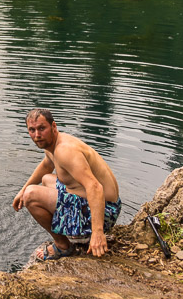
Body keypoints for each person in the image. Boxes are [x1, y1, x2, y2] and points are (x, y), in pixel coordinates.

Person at [12, 108, 121, 260]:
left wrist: (98, 233)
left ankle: (63, 246)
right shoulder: (53, 143)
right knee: (46, 179)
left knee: (31, 195)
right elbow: (47, 165)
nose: (37, 135)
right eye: (32, 130)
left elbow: (95, 187)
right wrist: (21, 190)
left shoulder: (65, 150)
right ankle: (74, 231)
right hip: (102, 203)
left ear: (53, 126)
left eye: (42, 128)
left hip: (106, 211)